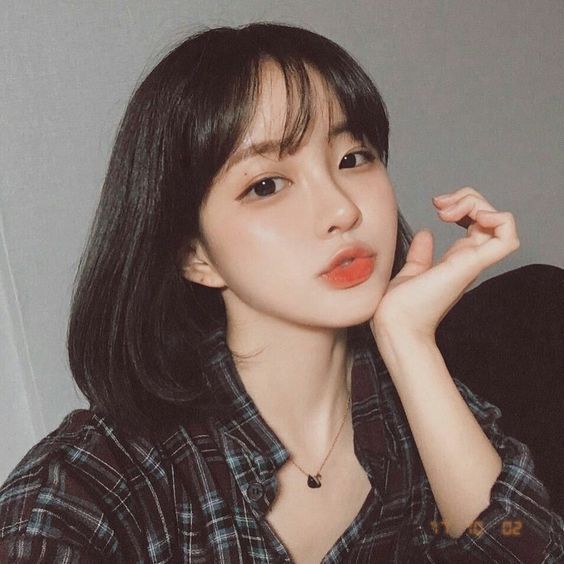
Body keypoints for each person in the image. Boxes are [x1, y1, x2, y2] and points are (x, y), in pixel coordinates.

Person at [0, 21, 562, 563]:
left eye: (352, 159)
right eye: (266, 185)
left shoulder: (424, 406)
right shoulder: (87, 486)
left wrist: (409, 342)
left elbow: (519, 545)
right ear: (194, 255)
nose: (342, 209)